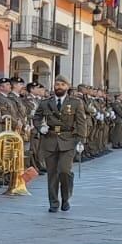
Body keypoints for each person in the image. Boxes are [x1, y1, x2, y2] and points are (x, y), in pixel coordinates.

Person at [35, 75, 87, 213]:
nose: (59, 87)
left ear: (67, 87)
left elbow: (81, 122)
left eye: (62, 85)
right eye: (57, 84)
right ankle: (53, 202)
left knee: (65, 171)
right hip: (50, 139)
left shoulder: (76, 103)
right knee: (52, 174)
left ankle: (66, 198)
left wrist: (81, 140)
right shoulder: (45, 102)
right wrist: (40, 127)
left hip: (68, 139)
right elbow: (37, 117)